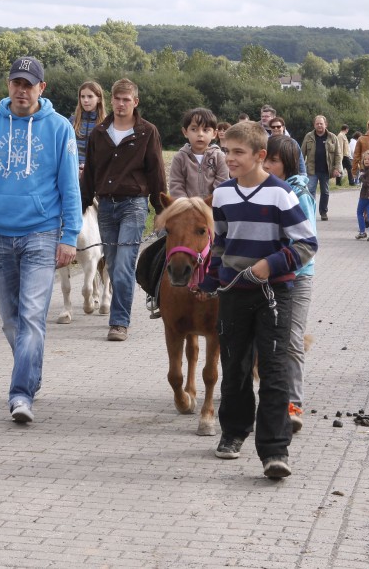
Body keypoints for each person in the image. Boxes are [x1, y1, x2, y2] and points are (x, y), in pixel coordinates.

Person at [0, 56, 82, 425]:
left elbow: (70, 187)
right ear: (8, 85)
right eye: (16, 83)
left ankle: (21, 393)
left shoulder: (59, 128)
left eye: (29, 84)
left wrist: (69, 236)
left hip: (41, 234)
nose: (21, 90)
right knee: (11, 322)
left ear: (42, 88)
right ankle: (31, 373)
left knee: (32, 316)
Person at [195, 121, 317, 479]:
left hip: (273, 294)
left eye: (238, 152)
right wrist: (210, 280)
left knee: (274, 369)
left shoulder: (281, 194)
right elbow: (220, 244)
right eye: (226, 151)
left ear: (260, 155)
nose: (229, 158)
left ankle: (275, 450)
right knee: (234, 367)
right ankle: (233, 432)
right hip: (234, 293)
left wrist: (270, 264)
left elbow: (307, 244)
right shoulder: (223, 195)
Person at [81, 78, 166, 341]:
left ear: (135, 102)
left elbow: (156, 171)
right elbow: (90, 172)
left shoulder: (147, 132)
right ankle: (118, 311)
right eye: (117, 99)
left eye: (126, 99)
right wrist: (80, 206)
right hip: (106, 206)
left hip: (134, 204)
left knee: (123, 266)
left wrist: (161, 209)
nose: (121, 104)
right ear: (111, 100)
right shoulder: (99, 133)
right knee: (112, 263)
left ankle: (119, 322)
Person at [140, 108, 229, 319]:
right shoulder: (180, 157)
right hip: (183, 212)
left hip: (211, 212)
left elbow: (222, 184)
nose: (200, 134)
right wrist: (187, 207)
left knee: (228, 247)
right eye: (194, 129)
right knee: (162, 247)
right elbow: (176, 185)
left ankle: (228, 292)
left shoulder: (219, 157)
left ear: (214, 133)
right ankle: (156, 292)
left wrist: (204, 206)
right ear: (185, 132)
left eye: (205, 130)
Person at [262, 134, 316, 434]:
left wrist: (274, 263)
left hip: (297, 277)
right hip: (263, 276)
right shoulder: (259, 190)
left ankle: (293, 404)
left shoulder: (300, 194)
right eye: (265, 159)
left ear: (288, 163)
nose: (267, 166)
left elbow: (306, 244)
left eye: (274, 161)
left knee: (292, 339)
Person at [301, 115, 342, 221]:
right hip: (312, 170)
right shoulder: (308, 136)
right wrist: (300, 169)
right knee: (310, 191)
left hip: (326, 170)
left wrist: (337, 168)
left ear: (326, 124)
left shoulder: (333, 137)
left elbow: (338, 154)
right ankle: (311, 212)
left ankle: (323, 212)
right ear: (314, 125)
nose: (319, 125)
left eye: (321, 123)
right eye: (317, 123)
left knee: (325, 192)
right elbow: (302, 153)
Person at [70, 80, 107, 174]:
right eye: (82, 96)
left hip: (96, 173)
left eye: (90, 96)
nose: (85, 100)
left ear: (99, 99)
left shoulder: (107, 124)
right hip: (73, 171)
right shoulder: (71, 121)